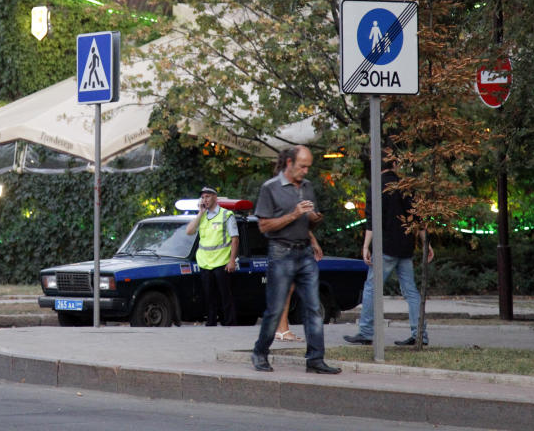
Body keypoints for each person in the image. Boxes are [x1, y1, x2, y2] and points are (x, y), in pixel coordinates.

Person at [250, 146, 341, 374]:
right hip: (281, 252)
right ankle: (260, 352)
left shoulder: (308, 187)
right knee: (276, 308)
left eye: (308, 166)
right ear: (289, 163)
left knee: (312, 307)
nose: (305, 170)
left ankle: (315, 359)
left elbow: (308, 222)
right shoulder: (270, 188)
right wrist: (294, 214)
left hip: (304, 252)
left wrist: (314, 219)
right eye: (302, 166)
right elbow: (263, 226)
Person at [344, 159, 434, 347]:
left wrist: (366, 246)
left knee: (371, 288)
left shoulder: (376, 187)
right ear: (394, 164)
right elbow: (417, 217)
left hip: (385, 246)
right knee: (411, 291)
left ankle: (366, 331)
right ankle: (419, 334)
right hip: (406, 247)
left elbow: (372, 220)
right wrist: (427, 244)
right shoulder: (406, 187)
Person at [186, 186, 238, 326]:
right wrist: (200, 213)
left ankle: (229, 323)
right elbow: (189, 231)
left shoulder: (226, 215)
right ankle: (211, 323)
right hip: (205, 262)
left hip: (222, 262)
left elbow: (235, 238)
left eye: (208, 196)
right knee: (208, 296)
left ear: (215, 197)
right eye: (203, 197)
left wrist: (232, 260)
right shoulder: (202, 216)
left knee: (225, 295)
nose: (205, 200)